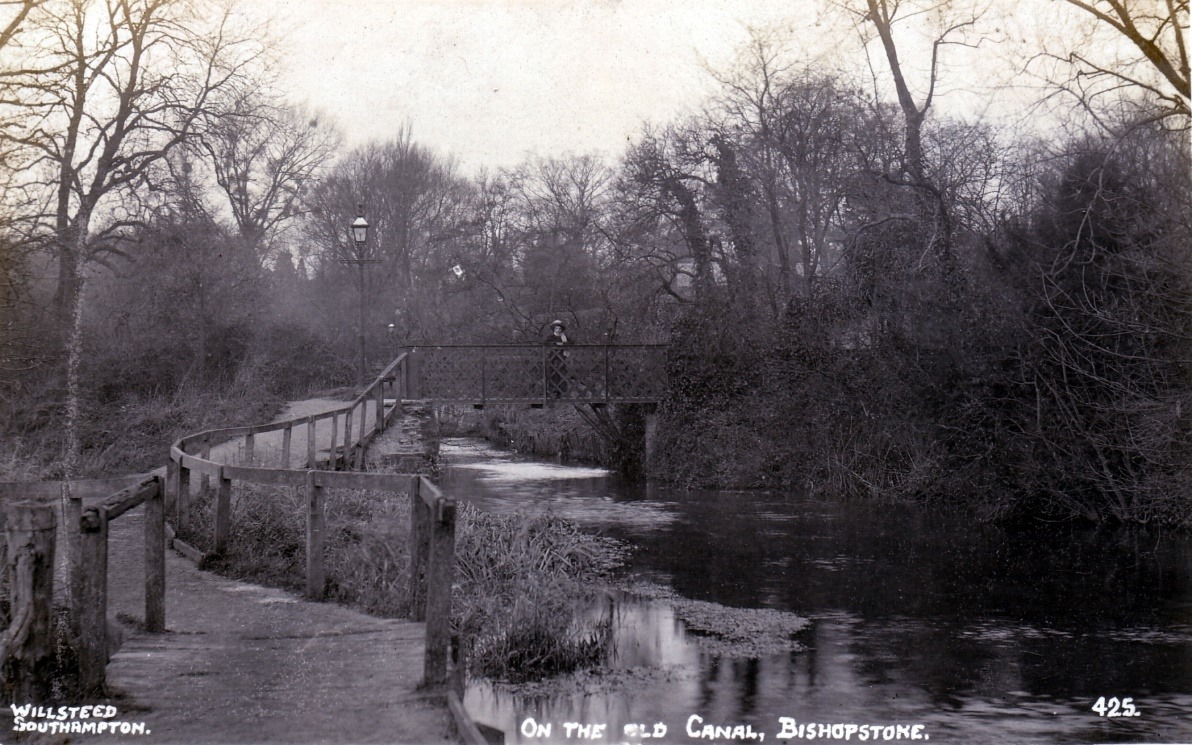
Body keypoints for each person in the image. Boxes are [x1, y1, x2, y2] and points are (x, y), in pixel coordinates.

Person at [543, 320, 570, 398]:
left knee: (562, 374)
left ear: (561, 329)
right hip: (553, 358)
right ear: (554, 329)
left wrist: (563, 343)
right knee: (553, 374)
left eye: (559, 328)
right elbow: (545, 343)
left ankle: (560, 392)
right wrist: (557, 344)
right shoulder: (551, 337)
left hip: (562, 357)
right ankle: (553, 391)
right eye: (556, 328)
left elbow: (571, 343)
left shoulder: (564, 337)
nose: (558, 330)